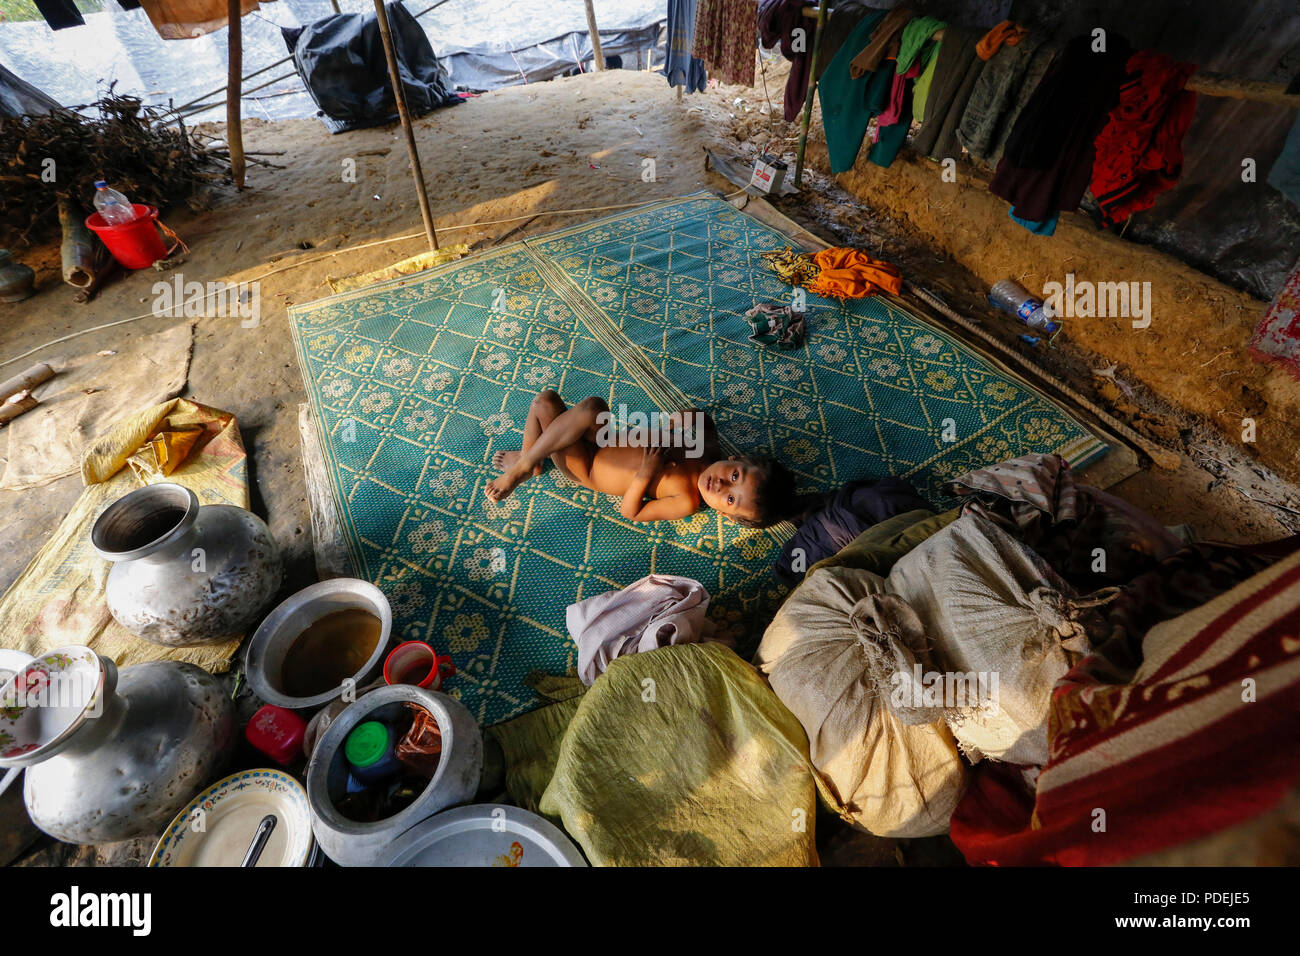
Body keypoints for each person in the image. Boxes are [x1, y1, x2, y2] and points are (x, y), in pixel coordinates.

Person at [484, 390, 799, 527]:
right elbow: (704, 421)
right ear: (738, 458)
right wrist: (678, 421)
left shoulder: (686, 500)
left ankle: (527, 464)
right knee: (586, 405)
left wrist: (646, 473)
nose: (719, 486)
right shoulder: (709, 451)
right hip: (604, 438)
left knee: (544, 406)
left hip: (588, 467)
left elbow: (631, 511)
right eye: (734, 477)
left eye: (730, 499)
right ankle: (533, 459)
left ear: (727, 515)